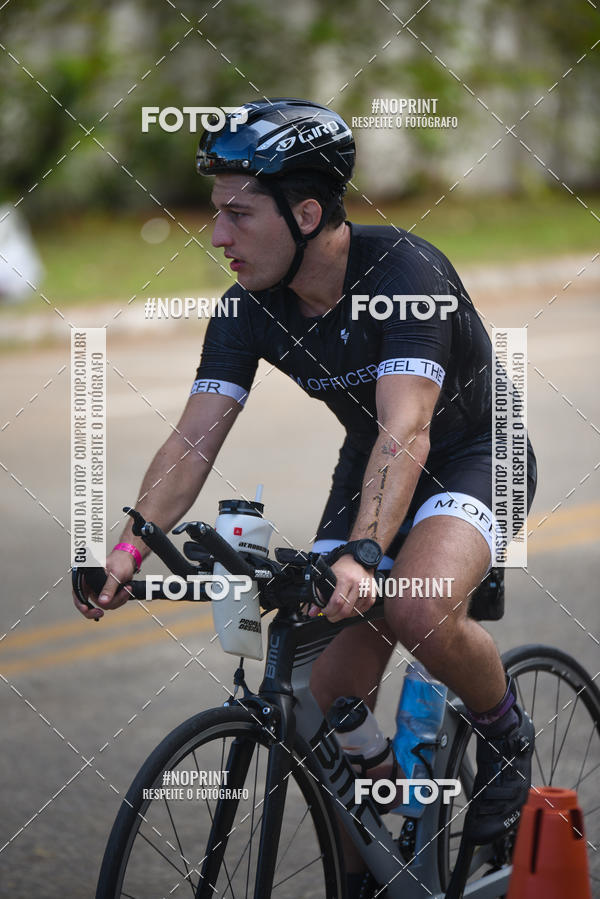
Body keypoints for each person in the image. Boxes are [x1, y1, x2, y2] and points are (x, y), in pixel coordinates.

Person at [73, 99, 537, 897]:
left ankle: (506, 739)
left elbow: (408, 429)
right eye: (217, 212)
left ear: (307, 213)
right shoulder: (248, 306)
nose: (217, 235)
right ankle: (371, 858)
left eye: (238, 214)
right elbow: (194, 440)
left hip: (471, 453)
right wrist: (127, 547)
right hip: (373, 462)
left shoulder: (405, 275)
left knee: (415, 606)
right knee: (318, 693)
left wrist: (364, 555)